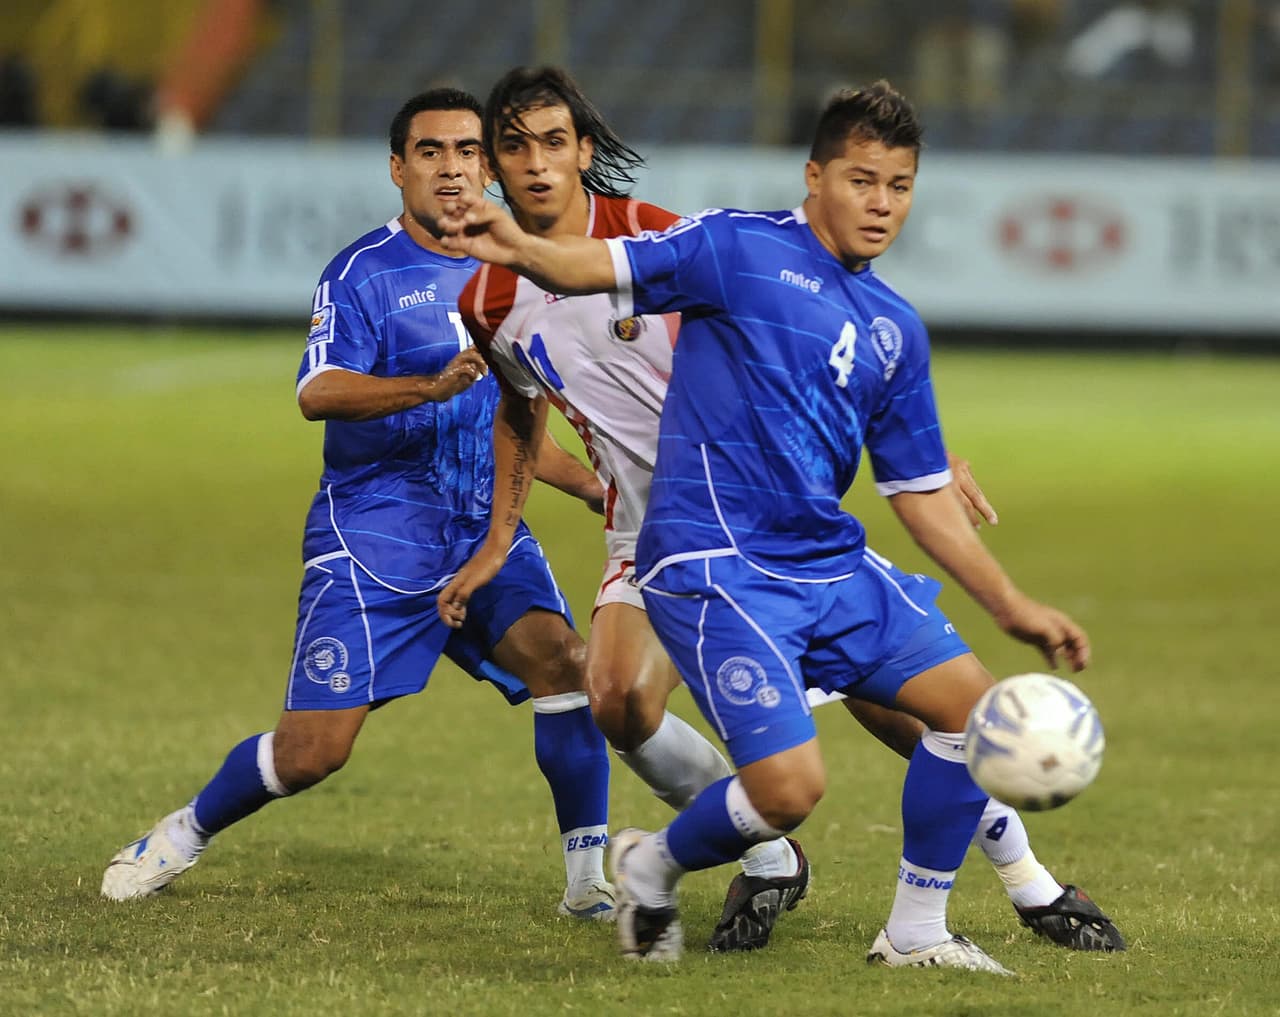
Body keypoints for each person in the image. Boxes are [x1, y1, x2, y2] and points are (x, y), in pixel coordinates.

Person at [436, 69, 1123, 962]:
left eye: (554, 142)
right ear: (493, 160)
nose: (536, 163)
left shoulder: (663, 235)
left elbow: (782, 345)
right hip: (670, 535)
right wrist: (512, 525)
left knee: (913, 714)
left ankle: (1020, 884)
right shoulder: (487, 298)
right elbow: (524, 400)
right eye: (515, 146)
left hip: (772, 507)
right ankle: (760, 851)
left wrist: (919, 450)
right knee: (620, 700)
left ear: (585, 152)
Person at [100, 87, 617, 923]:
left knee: (566, 665)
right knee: (311, 754)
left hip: (484, 527)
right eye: (430, 153)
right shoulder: (363, 272)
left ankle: (587, 881)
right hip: (376, 535)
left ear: (490, 164)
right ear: (397, 169)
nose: (452, 169)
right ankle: (183, 831)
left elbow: (516, 428)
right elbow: (318, 391)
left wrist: (595, 485)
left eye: (467, 151)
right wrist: (429, 384)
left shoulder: (522, 268)